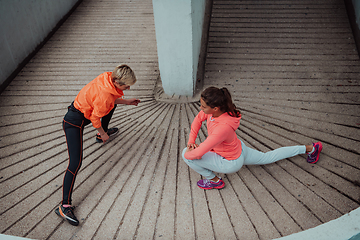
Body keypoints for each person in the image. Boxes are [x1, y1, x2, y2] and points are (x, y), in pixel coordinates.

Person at [182, 86, 322, 190]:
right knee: (268, 157)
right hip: (239, 149)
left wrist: (189, 152)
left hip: (230, 162)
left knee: (185, 155)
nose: (201, 108)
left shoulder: (222, 127)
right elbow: (198, 120)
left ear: (216, 108)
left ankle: (214, 180)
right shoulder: (215, 112)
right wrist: (191, 142)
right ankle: (310, 148)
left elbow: (200, 151)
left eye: (203, 106)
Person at [55, 64, 140, 226]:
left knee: (111, 105)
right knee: (75, 163)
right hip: (73, 122)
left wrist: (127, 102)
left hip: (83, 112)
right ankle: (64, 206)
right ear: (117, 81)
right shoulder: (105, 95)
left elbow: (109, 100)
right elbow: (96, 117)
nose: (128, 88)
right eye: (126, 86)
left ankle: (102, 134)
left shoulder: (108, 78)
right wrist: (102, 133)